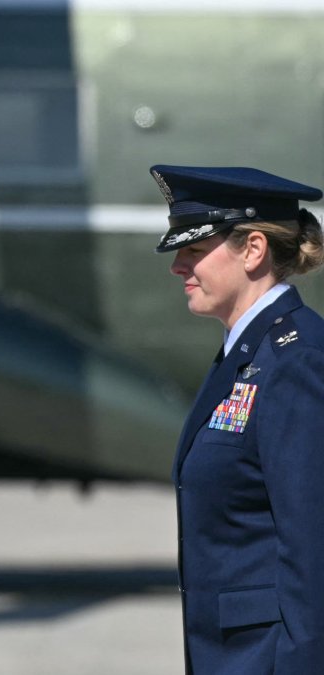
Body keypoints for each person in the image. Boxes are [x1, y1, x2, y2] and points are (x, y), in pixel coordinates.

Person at [150, 164, 324, 673]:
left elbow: (312, 549)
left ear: (253, 249)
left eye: (195, 251)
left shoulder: (296, 361)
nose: (178, 267)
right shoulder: (248, 353)